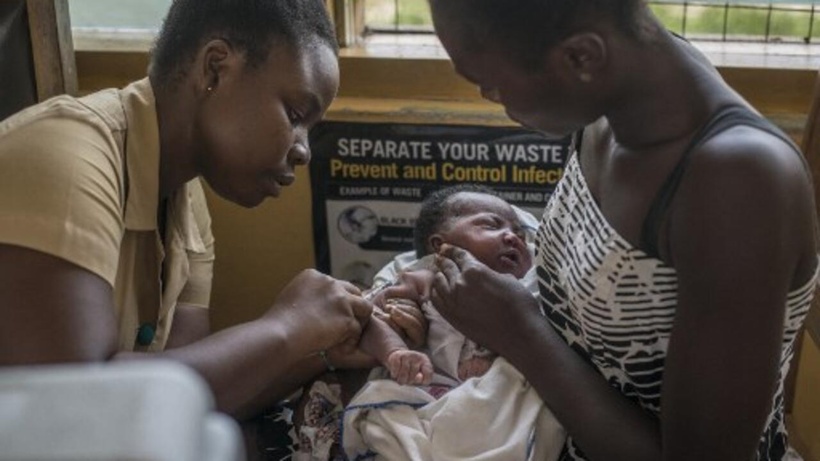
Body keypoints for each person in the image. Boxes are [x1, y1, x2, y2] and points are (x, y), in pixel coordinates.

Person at [0, 0, 421, 458]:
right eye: (296, 115)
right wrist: (287, 327)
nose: (304, 153)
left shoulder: (186, 203)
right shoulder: (67, 157)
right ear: (216, 69)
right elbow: (78, 417)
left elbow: (196, 394)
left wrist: (319, 349)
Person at [423, 1, 819, 461]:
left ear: (581, 57)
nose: (489, 96)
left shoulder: (736, 182)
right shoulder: (609, 100)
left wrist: (519, 329)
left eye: (489, 81)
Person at [295, 184, 565, 461]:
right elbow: (370, 319)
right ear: (441, 246)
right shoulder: (427, 278)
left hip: (498, 398)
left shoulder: (528, 287)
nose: (512, 237)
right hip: (431, 392)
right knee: (398, 427)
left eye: (520, 234)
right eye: (491, 225)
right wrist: (395, 352)